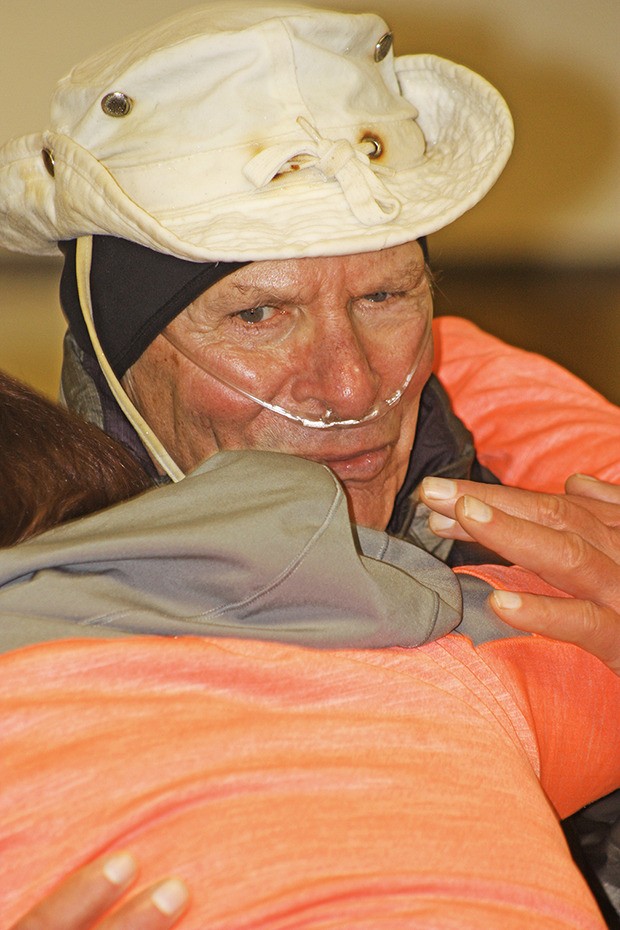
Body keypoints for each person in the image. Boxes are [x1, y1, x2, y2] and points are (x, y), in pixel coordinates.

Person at [0, 0, 618, 925]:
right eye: (259, 314)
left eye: (383, 295)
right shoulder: (28, 575)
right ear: (117, 364)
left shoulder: (565, 546)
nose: (347, 384)